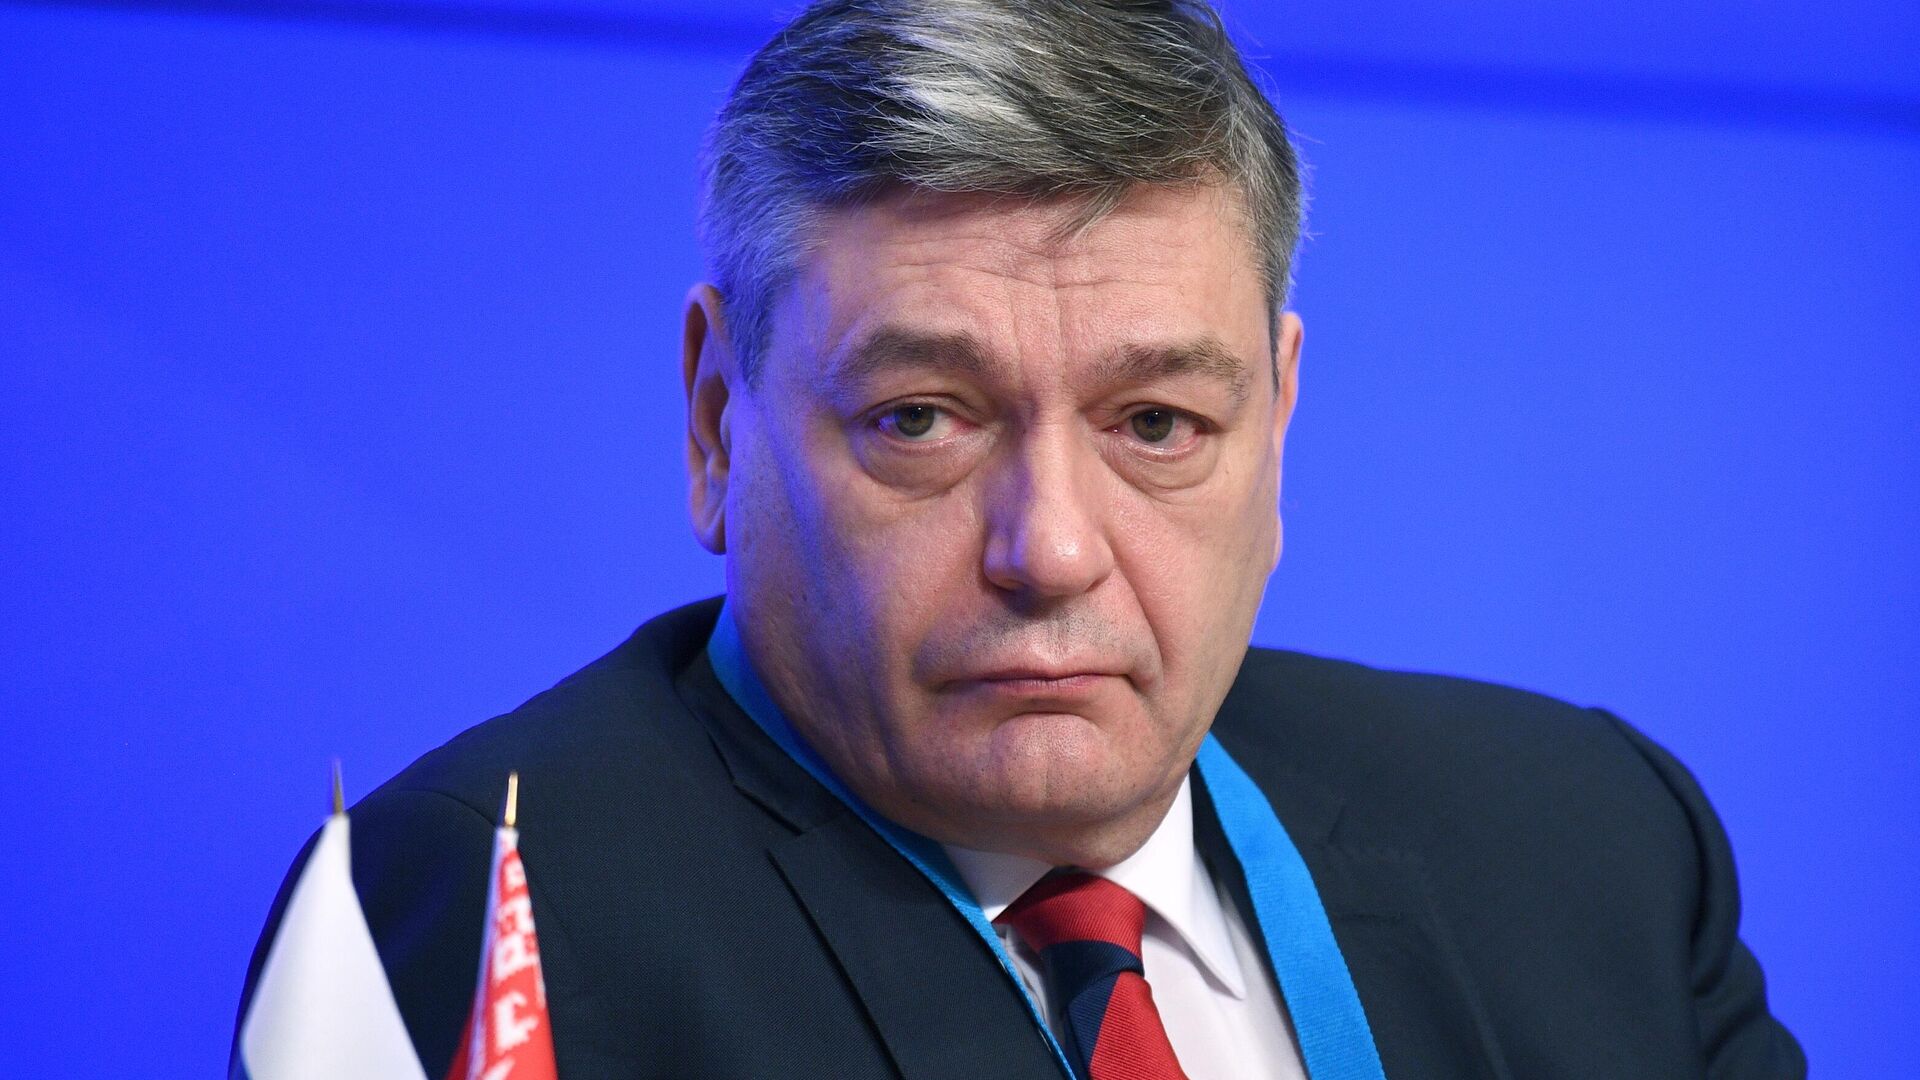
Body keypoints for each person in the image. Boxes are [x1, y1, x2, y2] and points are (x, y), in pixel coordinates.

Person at [236, 1, 1805, 1077]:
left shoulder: (1588, 843)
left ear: (1277, 418)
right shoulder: (494, 917)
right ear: (718, 420)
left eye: (1157, 425)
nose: (1049, 552)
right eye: (922, 418)